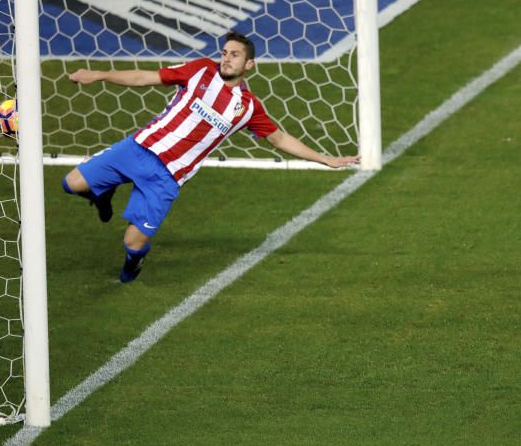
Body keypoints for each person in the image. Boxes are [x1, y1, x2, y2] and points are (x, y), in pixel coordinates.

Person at [62, 31, 359, 282]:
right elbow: (145, 77)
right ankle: (104, 192)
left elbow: (279, 138)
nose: (226, 58)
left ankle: (134, 261)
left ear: (249, 64)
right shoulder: (200, 70)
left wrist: (325, 159)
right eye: (225, 52)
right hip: (138, 149)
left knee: (133, 243)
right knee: (71, 183)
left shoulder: (247, 107)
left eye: (235, 55)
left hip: (167, 177)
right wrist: (99, 75)